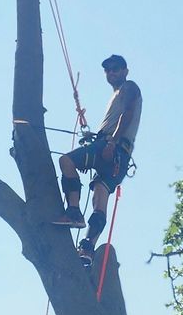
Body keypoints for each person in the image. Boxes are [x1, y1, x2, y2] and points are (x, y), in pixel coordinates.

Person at [56, 55, 142, 264]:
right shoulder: (116, 96)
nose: (111, 73)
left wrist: (111, 142)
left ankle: (74, 211)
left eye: (116, 69)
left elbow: (128, 115)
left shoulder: (129, 87)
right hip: (119, 157)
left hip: (111, 147)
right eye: (108, 70)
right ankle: (88, 247)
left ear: (125, 71)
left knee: (66, 161)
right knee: (100, 198)